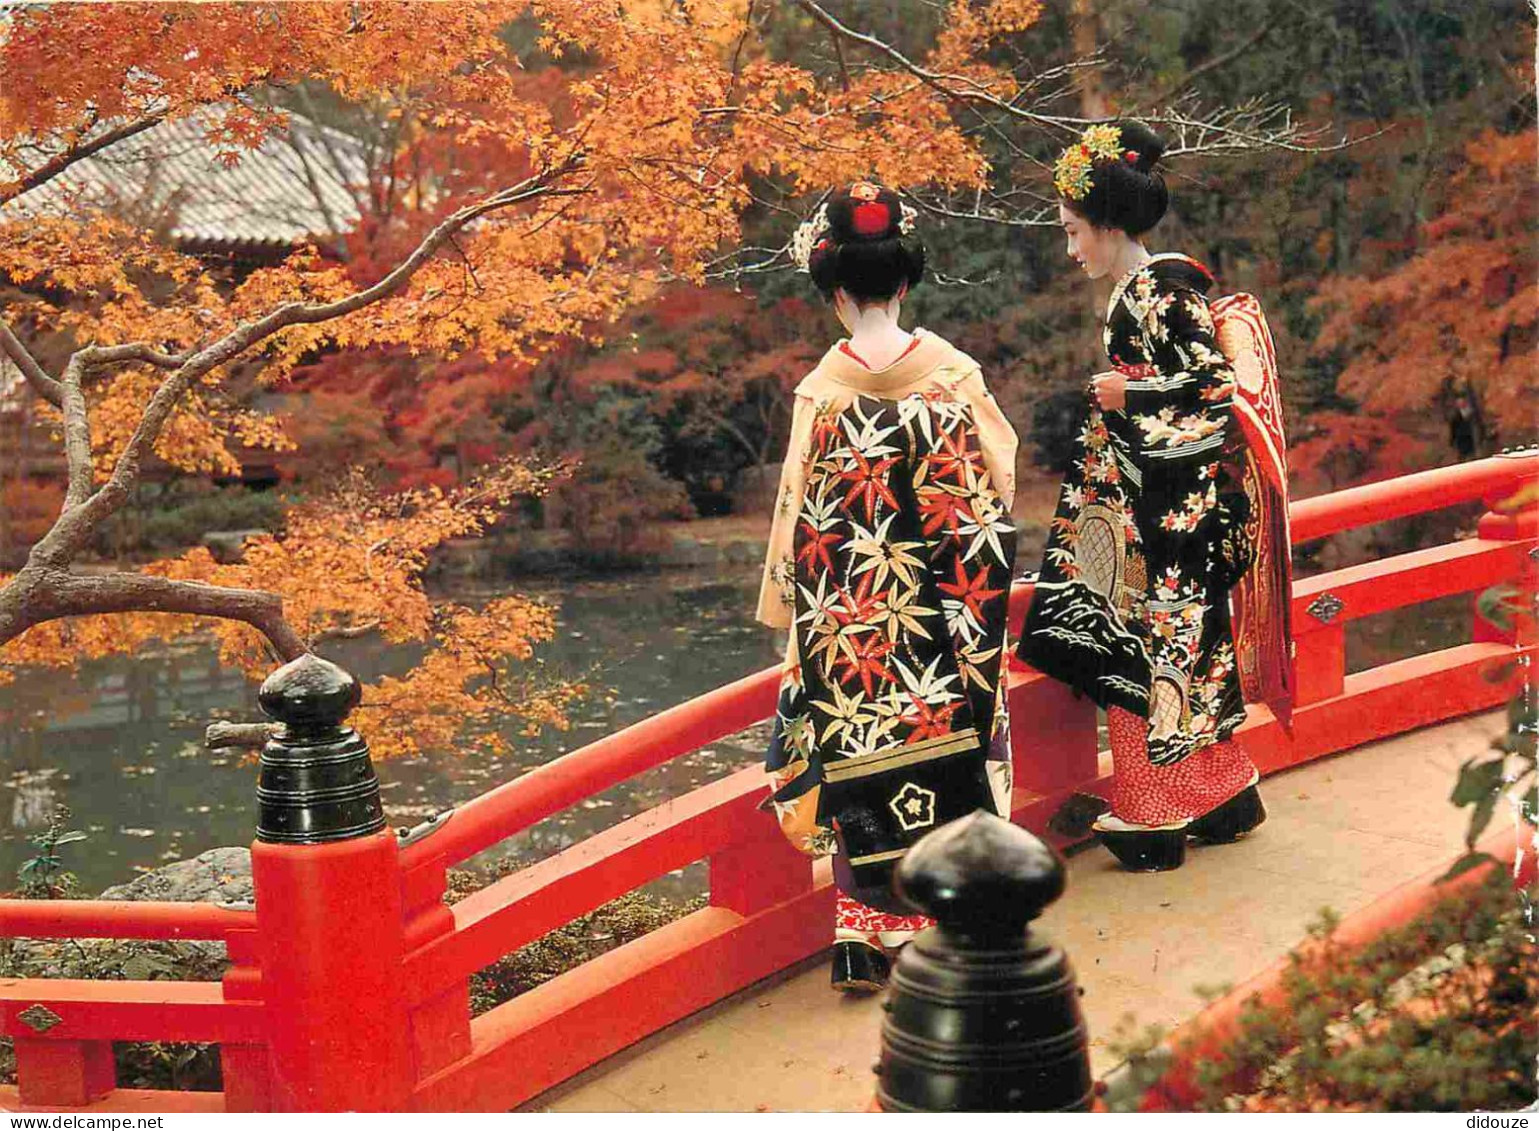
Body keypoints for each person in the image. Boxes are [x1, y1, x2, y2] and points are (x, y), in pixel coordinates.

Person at [755, 183, 1019, 991]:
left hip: (852, 621)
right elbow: (998, 484)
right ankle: (953, 918)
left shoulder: (821, 390)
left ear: (833, 289)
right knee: (957, 749)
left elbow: (793, 517)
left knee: (852, 752)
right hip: (944, 612)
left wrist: (789, 619)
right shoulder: (952, 375)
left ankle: (862, 934)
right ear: (904, 281)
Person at [1017, 122, 1268, 872]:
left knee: (1139, 650)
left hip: (1161, 514)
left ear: (1108, 223)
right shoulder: (1144, 288)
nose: (1070, 251)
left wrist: (1133, 393)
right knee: (1183, 647)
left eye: (1072, 233)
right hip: (1156, 502)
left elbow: (1215, 389)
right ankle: (1219, 789)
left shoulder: (1162, 289)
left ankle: (1153, 809)